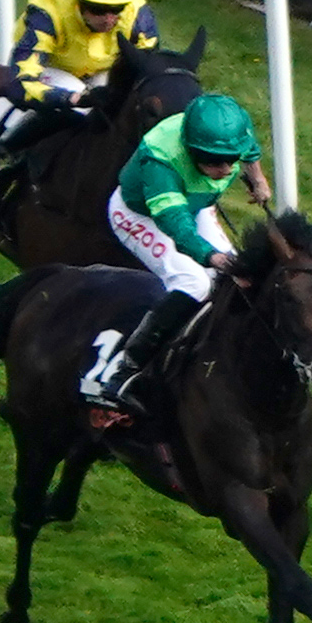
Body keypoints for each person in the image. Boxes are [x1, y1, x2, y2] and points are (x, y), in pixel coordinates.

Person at [76, 92, 265, 430]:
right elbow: (177, 227)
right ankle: (125, 369)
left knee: (240, 282)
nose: (223, 170)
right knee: (195, 281)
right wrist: (213, 257)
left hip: (194, 205)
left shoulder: (234, 134)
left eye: (228, 160)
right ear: (190, 146)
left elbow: (249, 153)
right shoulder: (161, 159)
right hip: (142, 214)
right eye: (210, 160)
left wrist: (258, 179)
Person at [0, 0, 151, 193]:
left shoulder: (138, 13)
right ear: (78, 2)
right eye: (97, 9)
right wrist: (70, 98)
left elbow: (148, 70)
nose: (108, 19)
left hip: (103, 68)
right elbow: (20, 82)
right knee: (80, 101)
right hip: (52, 65)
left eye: (116, 10)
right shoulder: (50, 4)